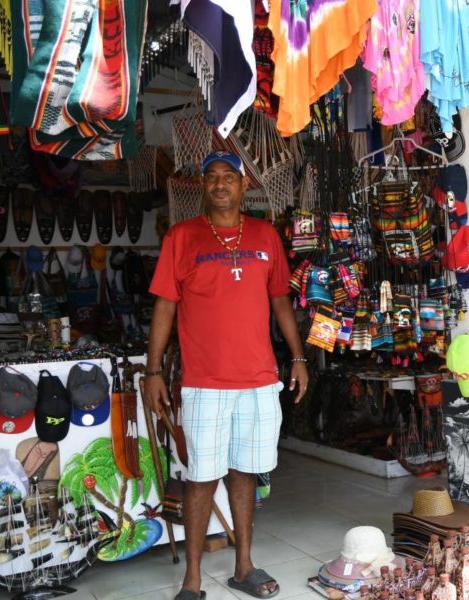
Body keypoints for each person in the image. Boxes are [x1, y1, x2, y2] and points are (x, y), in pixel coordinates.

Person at [145, 150, 310, 600]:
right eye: (212, 177)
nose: (220, 184)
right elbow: (165, 305)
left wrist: (298, 357)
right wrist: (153, 370)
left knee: (245, 473)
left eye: (229, 177)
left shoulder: (265, 235)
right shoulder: (181, 237)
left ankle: (243, 566)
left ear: (244, 186)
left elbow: (281, 302)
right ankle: (193, 579)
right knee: (201, 477)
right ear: (202, 186)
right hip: (204, 383)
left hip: (258, 379)